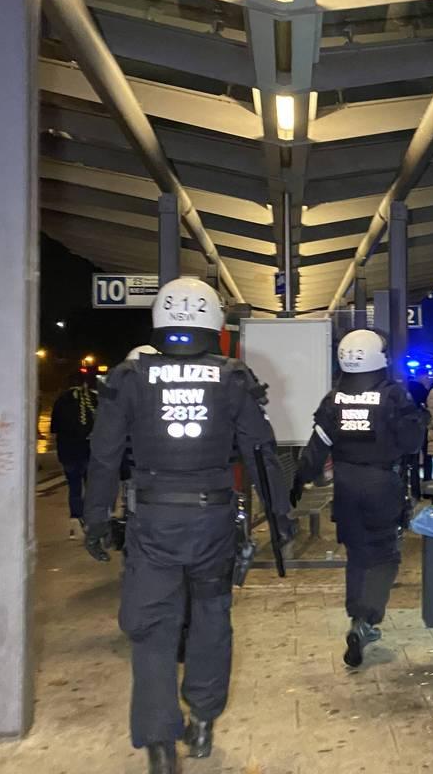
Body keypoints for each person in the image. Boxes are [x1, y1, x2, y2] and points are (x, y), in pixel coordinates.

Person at [80, 277, 293, 773]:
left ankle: (158, 740)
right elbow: (261, 453)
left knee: (153, 628)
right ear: (214, 322)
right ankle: (201, 720)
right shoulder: (233, 377)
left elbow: (104, 456)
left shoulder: (130, 377)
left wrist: (95, 519)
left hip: (152, 521)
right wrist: (279, 517)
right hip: (212, 521)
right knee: (211, 619)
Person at [291, 329, 426, 668]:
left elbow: (316, 448)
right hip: (383, 484)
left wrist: (297, 481)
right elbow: (412, 442)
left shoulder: (333, 399)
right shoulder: (394, 395)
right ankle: (365, 621)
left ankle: (357, 617)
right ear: (380, 357)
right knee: (384, 554)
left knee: (356, 553)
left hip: (346, 485)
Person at [51, 367, 98, 538]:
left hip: (68, 452)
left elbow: (54, 428)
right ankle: (91, 520)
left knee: (74, 487)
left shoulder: (61, 401)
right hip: (89, 451)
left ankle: (75, 519)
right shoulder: (93, 399)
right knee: (91, 486)